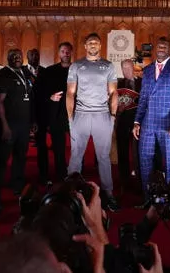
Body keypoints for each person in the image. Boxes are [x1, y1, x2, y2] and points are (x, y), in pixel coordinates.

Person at [66, 33, 120, 211]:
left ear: (100, 45)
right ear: (85, 45)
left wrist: (112, 116)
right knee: (76, 156)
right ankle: (71, 193)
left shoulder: (108, 66)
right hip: (81, 115)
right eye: (90, 43)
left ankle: (108, 193)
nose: (93, 45)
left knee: (104, 157)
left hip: (102, 115)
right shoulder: (76, 65)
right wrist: (70, 119)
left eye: (96, 42)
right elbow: (70, 93)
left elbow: (113, 92)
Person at [133, 36, 170, 194]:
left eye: (164, 47)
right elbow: (143, 98)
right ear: (154, 50)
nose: (161, 49)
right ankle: (149, 199)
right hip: (147, 125)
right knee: (145, 162)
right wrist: (137, 121)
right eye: (159, 47)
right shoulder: (147, 70)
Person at [0, 49, 34, 208]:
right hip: (7, 125)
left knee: (20, 156)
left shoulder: (25, 73)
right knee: (1, 161)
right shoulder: (2, 76)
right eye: (13, 56)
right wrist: (5, 126)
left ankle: (17, 185)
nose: (17, 58)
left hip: (23, 124)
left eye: (19, 56)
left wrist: (31, 121)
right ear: (7, 58)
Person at [38, 42, 74, 183]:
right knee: (58, 148)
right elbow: (40, 92)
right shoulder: (49, 71)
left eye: (68, 51)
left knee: (78, 147)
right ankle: (61, 174)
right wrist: (50, 97)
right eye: (63, 51)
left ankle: (77, 173)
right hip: (56, 115)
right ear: (59, 53)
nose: (66, 53)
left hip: (74, 114)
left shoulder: (77, 70)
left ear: (71, 53)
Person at [115, 58, 143, 190]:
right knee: (122, 151)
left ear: (133, 67)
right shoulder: (118, 84)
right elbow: (112, 102)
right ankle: (124, 179)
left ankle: (140, 177)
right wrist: (116, 108)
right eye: (123, 68)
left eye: (128, 68)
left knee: (138, 152)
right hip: (122, 122)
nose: (126, 71)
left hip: (138, 123)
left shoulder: (142, 82)